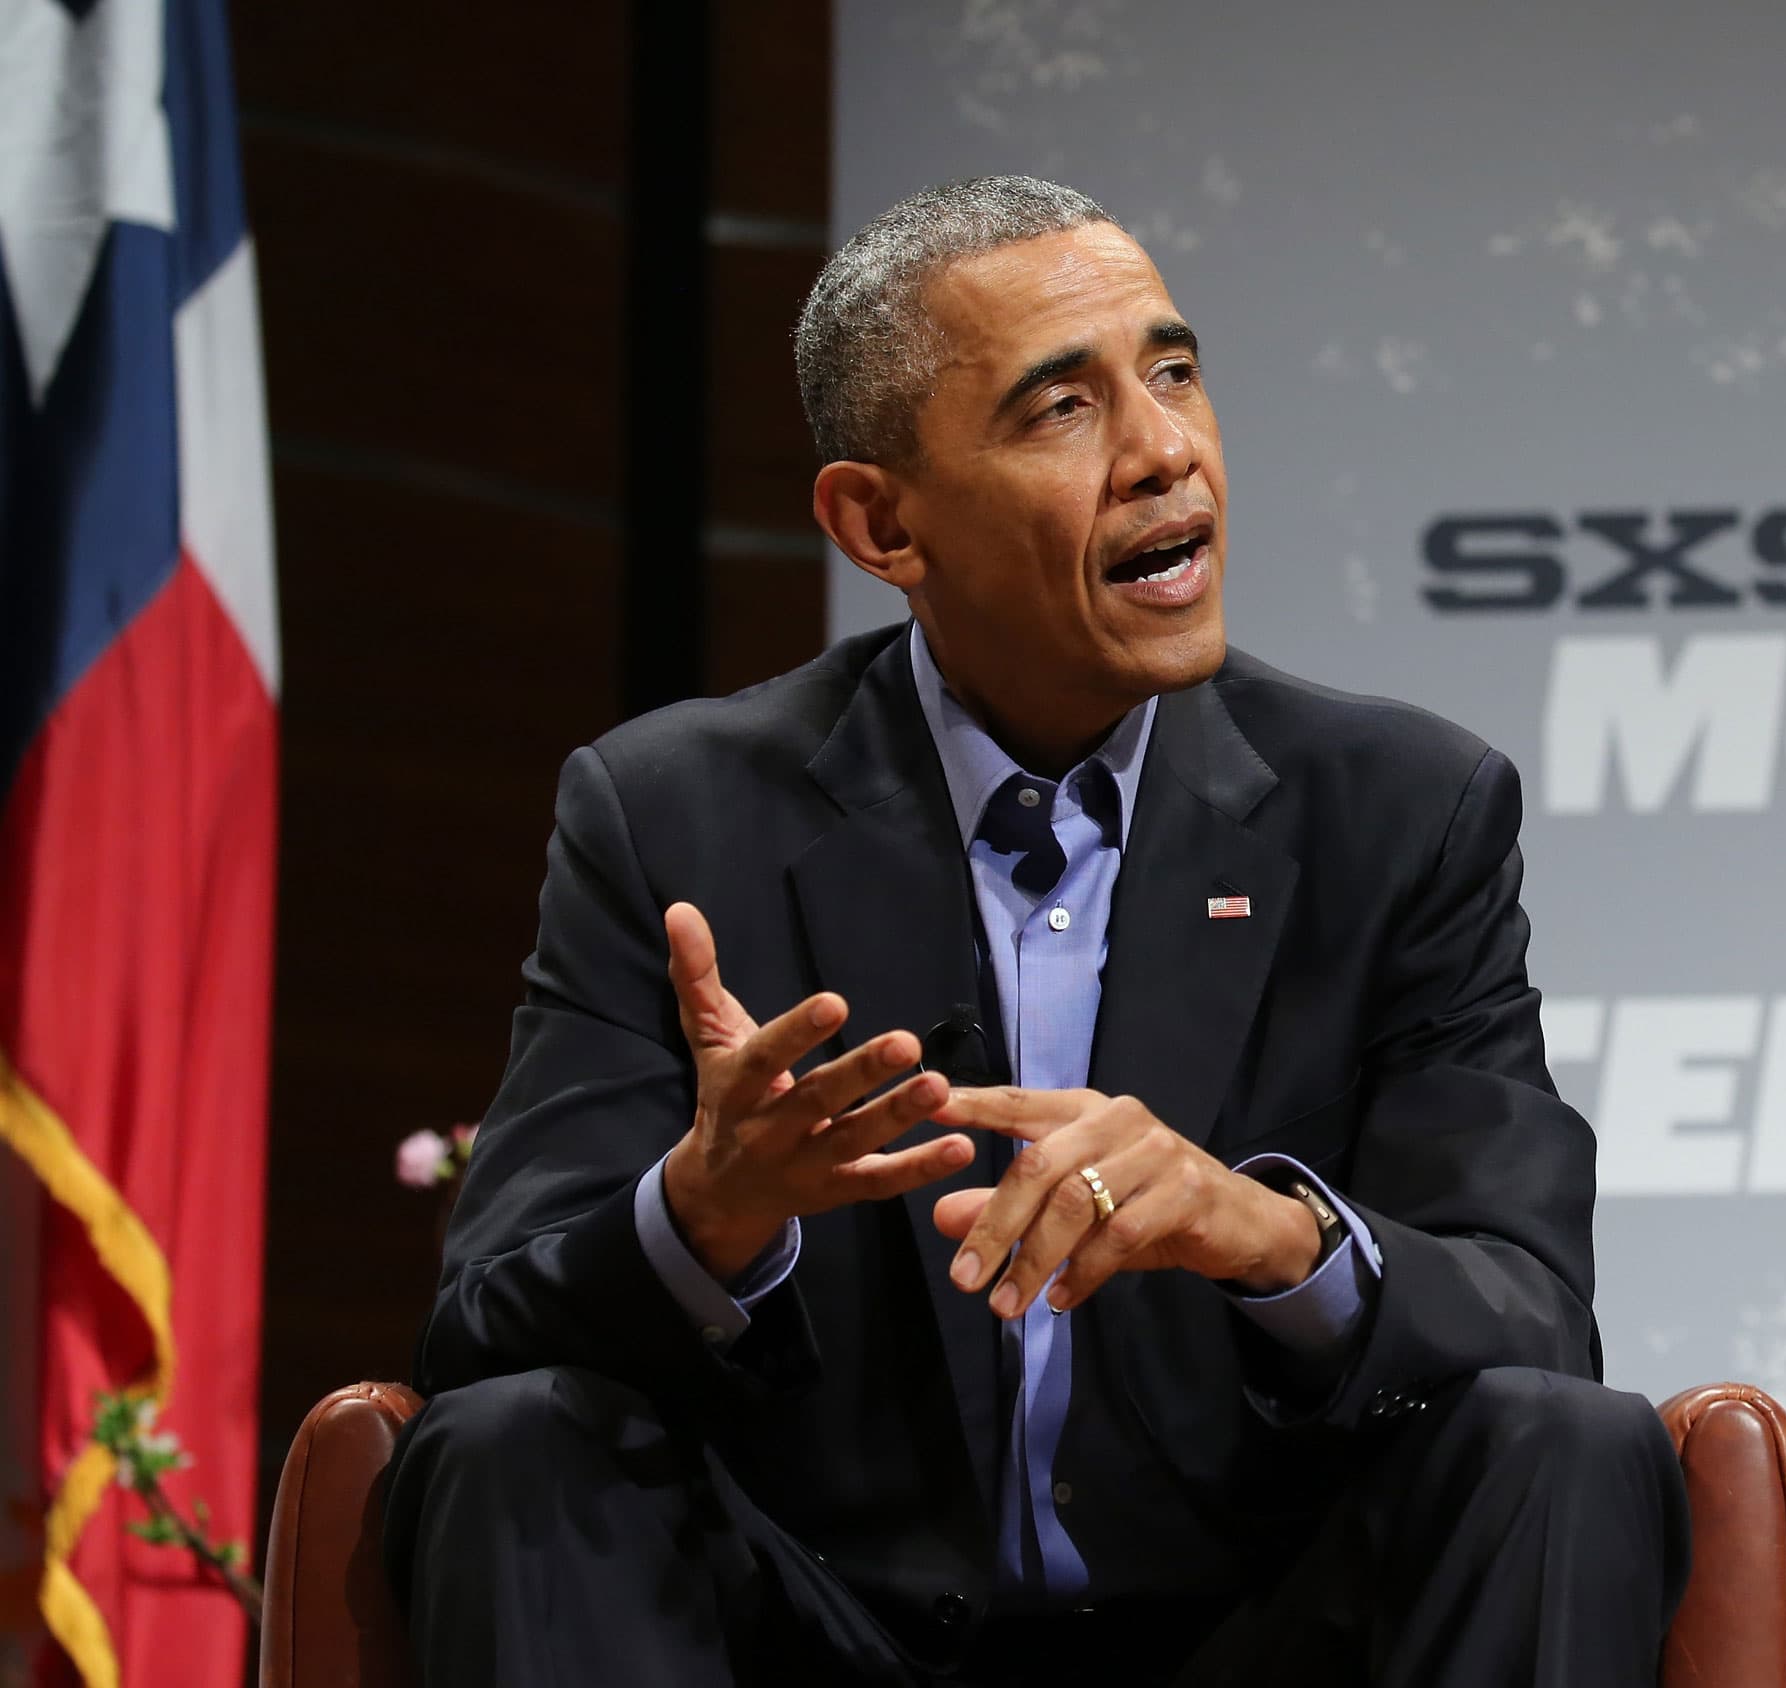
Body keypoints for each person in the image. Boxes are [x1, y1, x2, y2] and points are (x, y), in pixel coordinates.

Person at [381, 175, 1689, 1687]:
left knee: (1565, 1441)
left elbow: (1532, 1313)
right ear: (881, 521)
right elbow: (480, 1336)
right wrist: (706, 1215)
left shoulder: (1401, 811)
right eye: (1063, 408)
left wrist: (1264, 1234)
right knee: (512, 1444)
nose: (1165, 450)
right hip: (819, 1635)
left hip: (1257, 1641)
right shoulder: (672, 816)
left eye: (1174, 373)